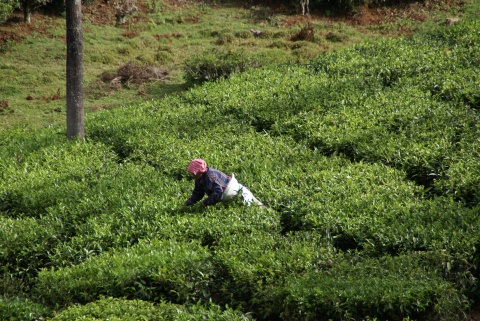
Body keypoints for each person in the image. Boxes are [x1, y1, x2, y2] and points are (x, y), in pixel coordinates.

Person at [184, 158, 264, 208]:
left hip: (235, 191)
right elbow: (197, 193)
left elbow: (218, 191)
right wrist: (187, 205)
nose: (192, 174)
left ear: (200, 171)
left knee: (253, 206)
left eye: (194, 172)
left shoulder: (210, 177)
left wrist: (205, 203)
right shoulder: (198, 178)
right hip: (226, 195)